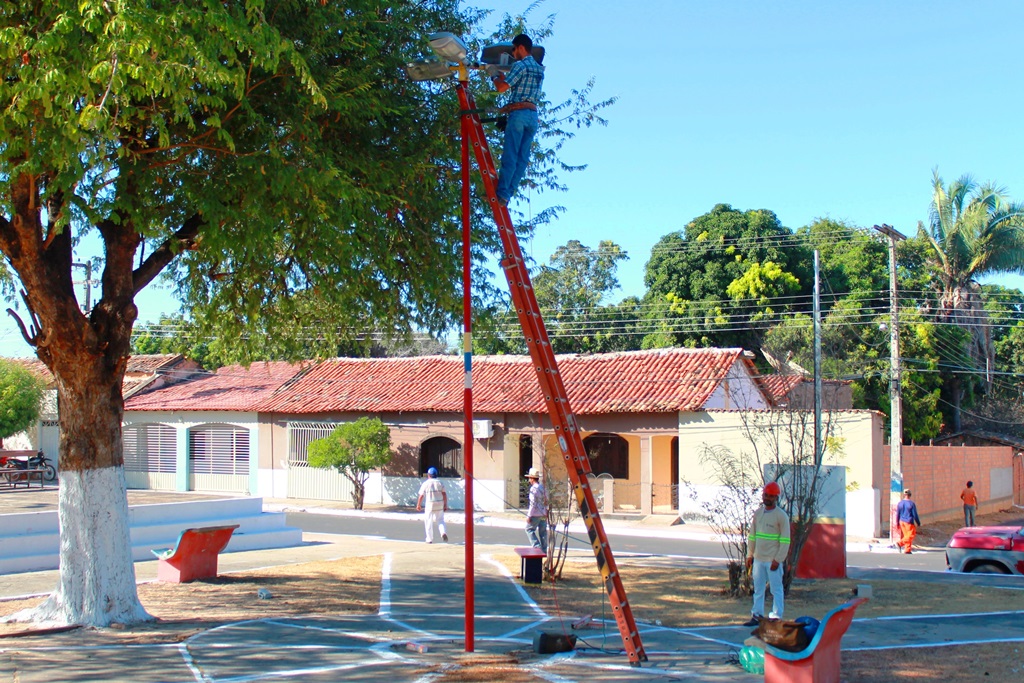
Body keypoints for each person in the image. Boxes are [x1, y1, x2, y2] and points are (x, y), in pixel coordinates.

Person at [491, 33, 544, 206]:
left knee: (511, 155)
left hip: (519, 115)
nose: (513, 53)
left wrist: (493, 75)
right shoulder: (539, 69)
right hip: (532, 116)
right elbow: (520, 84)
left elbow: (501, 88)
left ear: (521, 47)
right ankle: (507, 195)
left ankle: (502, 193)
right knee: (522, 158)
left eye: (514, 49)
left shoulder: (520, 65)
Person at [744, 481, 790, 627]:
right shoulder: (758, 514)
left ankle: (776, 617)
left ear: (776, 498)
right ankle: (756, 615)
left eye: (771, 496)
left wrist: (778, 559)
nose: (767, 498)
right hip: (758, 558)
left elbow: (785, 540)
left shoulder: (781, 516)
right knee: (758, 589)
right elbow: (752, 536)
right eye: (766, 495)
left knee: (776, 589)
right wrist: (749, 555)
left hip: (772, 560)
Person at [416, 467, 448, 543]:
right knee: (440, 520)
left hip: (430, 505)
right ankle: (443, 532)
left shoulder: (426, 483)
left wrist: (418, 504)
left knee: (428, 521)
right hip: (440, 504)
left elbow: (421, 495)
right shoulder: (440, 483)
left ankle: (429, 539)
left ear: (429, 475)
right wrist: (445, 505)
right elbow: (444, 494)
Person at [524, 467, 548, 550]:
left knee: (529, 529)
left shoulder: (533, 489)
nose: (529, 480)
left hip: (535, 514)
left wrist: (529, 515)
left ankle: (537, 546)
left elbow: (532, 504)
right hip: (543, 513)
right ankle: (544, 549)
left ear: (532, 478)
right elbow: (546, 500)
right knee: (543, 532)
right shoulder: (542, 487)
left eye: (529, 478)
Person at [896, 490, 921, 554]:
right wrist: (918, 522)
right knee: (911, 535)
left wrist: (897, 523)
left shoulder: (900, 503)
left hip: (901, 521)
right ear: (910, 495)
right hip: (908, 522)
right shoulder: (911, 504)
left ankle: (907, 550)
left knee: (906, 536)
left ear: (904, 495)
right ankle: (900, 543)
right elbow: (915, 514)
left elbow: (897, 514)